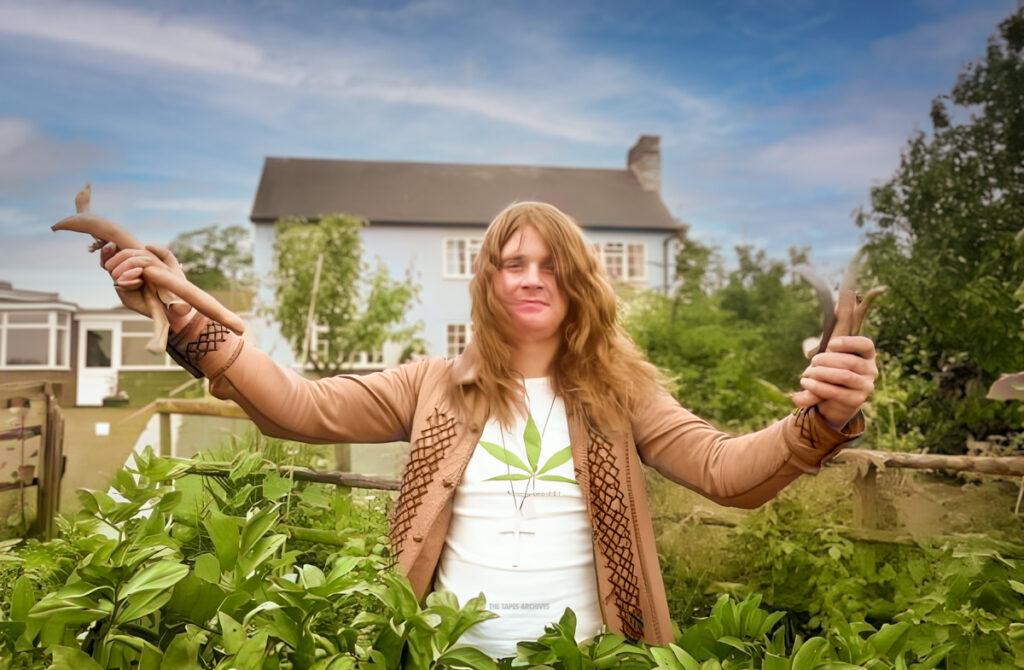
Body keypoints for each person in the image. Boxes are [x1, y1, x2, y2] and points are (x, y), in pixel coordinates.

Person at [100, 201, 874, 659]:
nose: (531, 276)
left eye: (550, 263)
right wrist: (190, 318)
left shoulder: (621, 391)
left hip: (590, 664)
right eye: (512, 263)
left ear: (577, 281)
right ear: (490, 281)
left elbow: (725, 471)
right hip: (446, 658)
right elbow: (300, 407)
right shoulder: (432, 385)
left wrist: (822, 421)